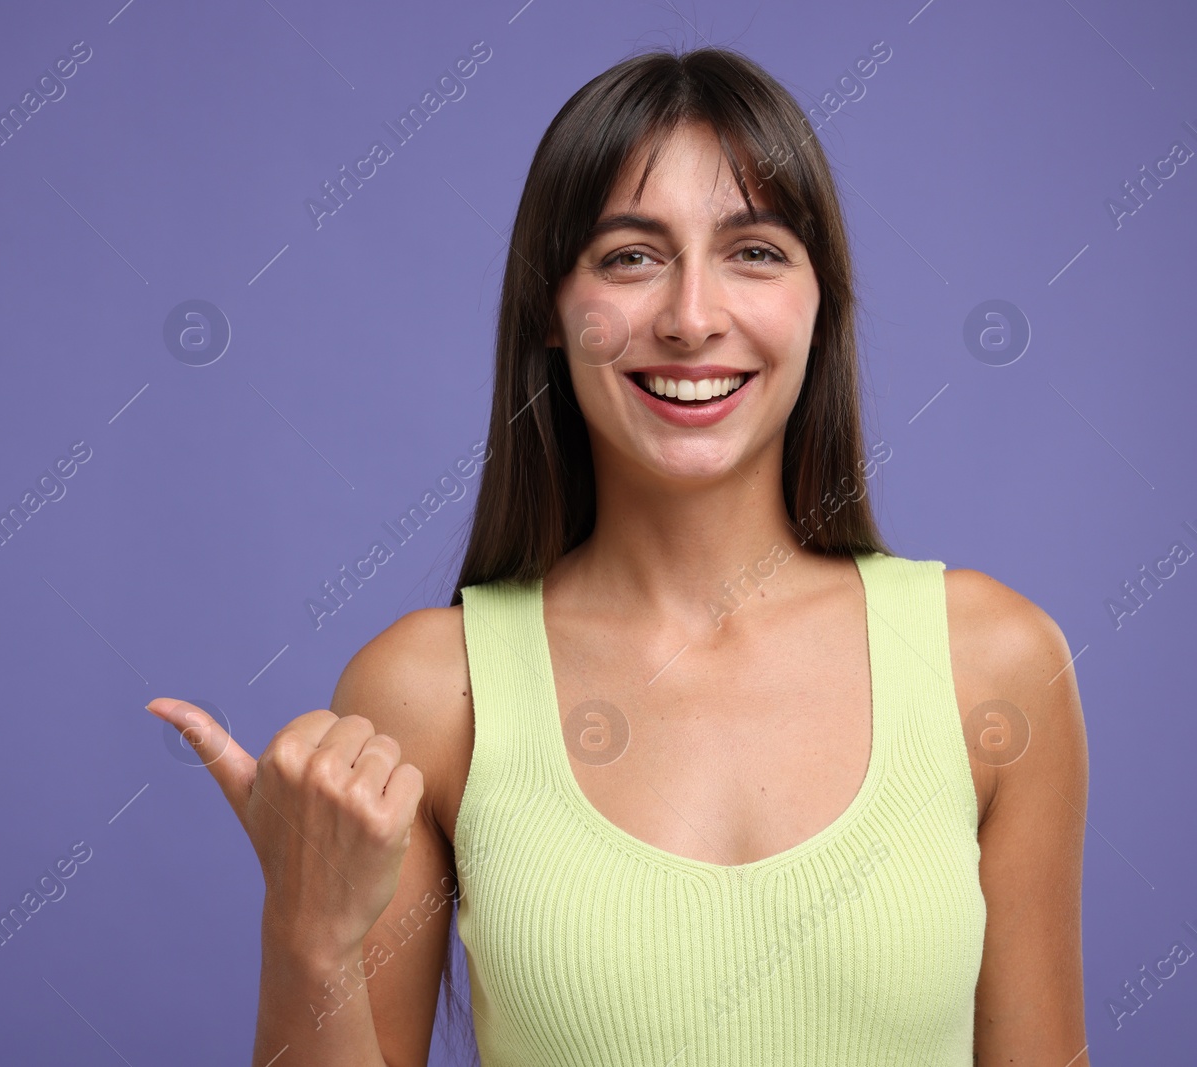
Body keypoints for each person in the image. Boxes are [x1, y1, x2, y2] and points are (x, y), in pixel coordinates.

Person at [144, 45, 1088, 1067]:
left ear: (823, 305)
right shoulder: (429, 691)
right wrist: (305, 933)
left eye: (755, 251)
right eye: (630, 256)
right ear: (551, 311)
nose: (690, 318)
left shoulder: (993, 663)